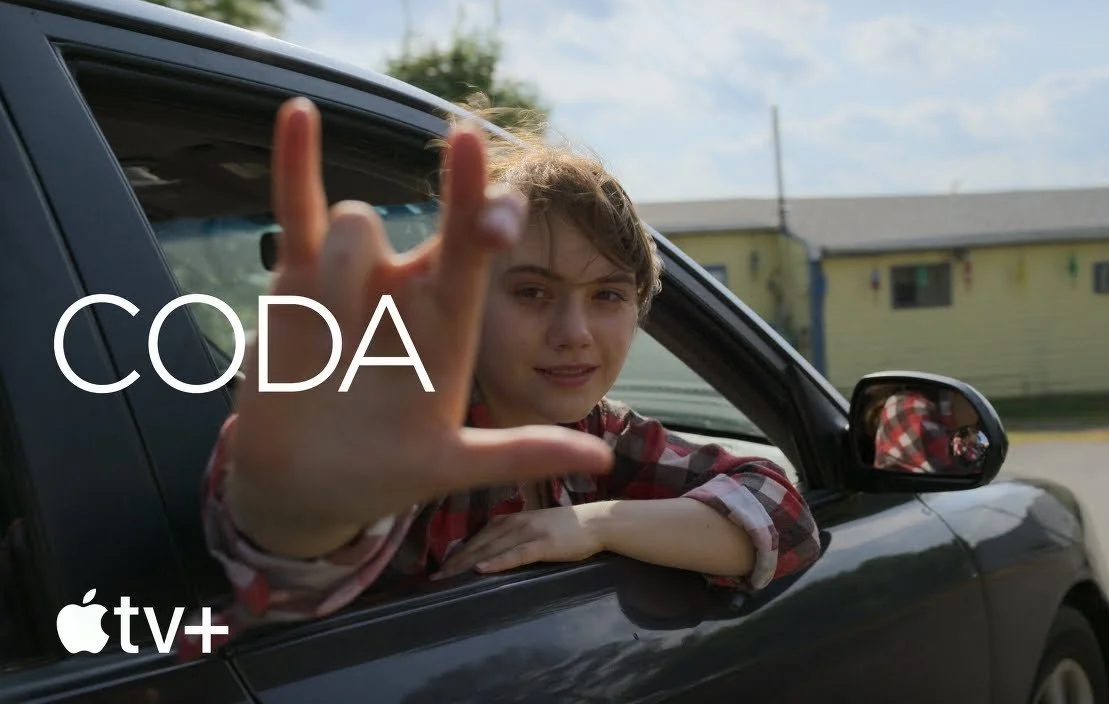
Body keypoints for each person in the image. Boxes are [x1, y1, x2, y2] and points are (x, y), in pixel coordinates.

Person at [178, 98, 820, 658]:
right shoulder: (411, 435)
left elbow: (785, 515)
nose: (575, 331)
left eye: (607, 295)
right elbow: (286, 573)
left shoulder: (598, 434)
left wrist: (596, 523)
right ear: (467, 307)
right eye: (533, 291)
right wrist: (295, 515)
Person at [861, 384, 984, 474]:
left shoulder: (947, 418)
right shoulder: (908, 410)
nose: (981, 412)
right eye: (977, 401)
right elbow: (953, 471)